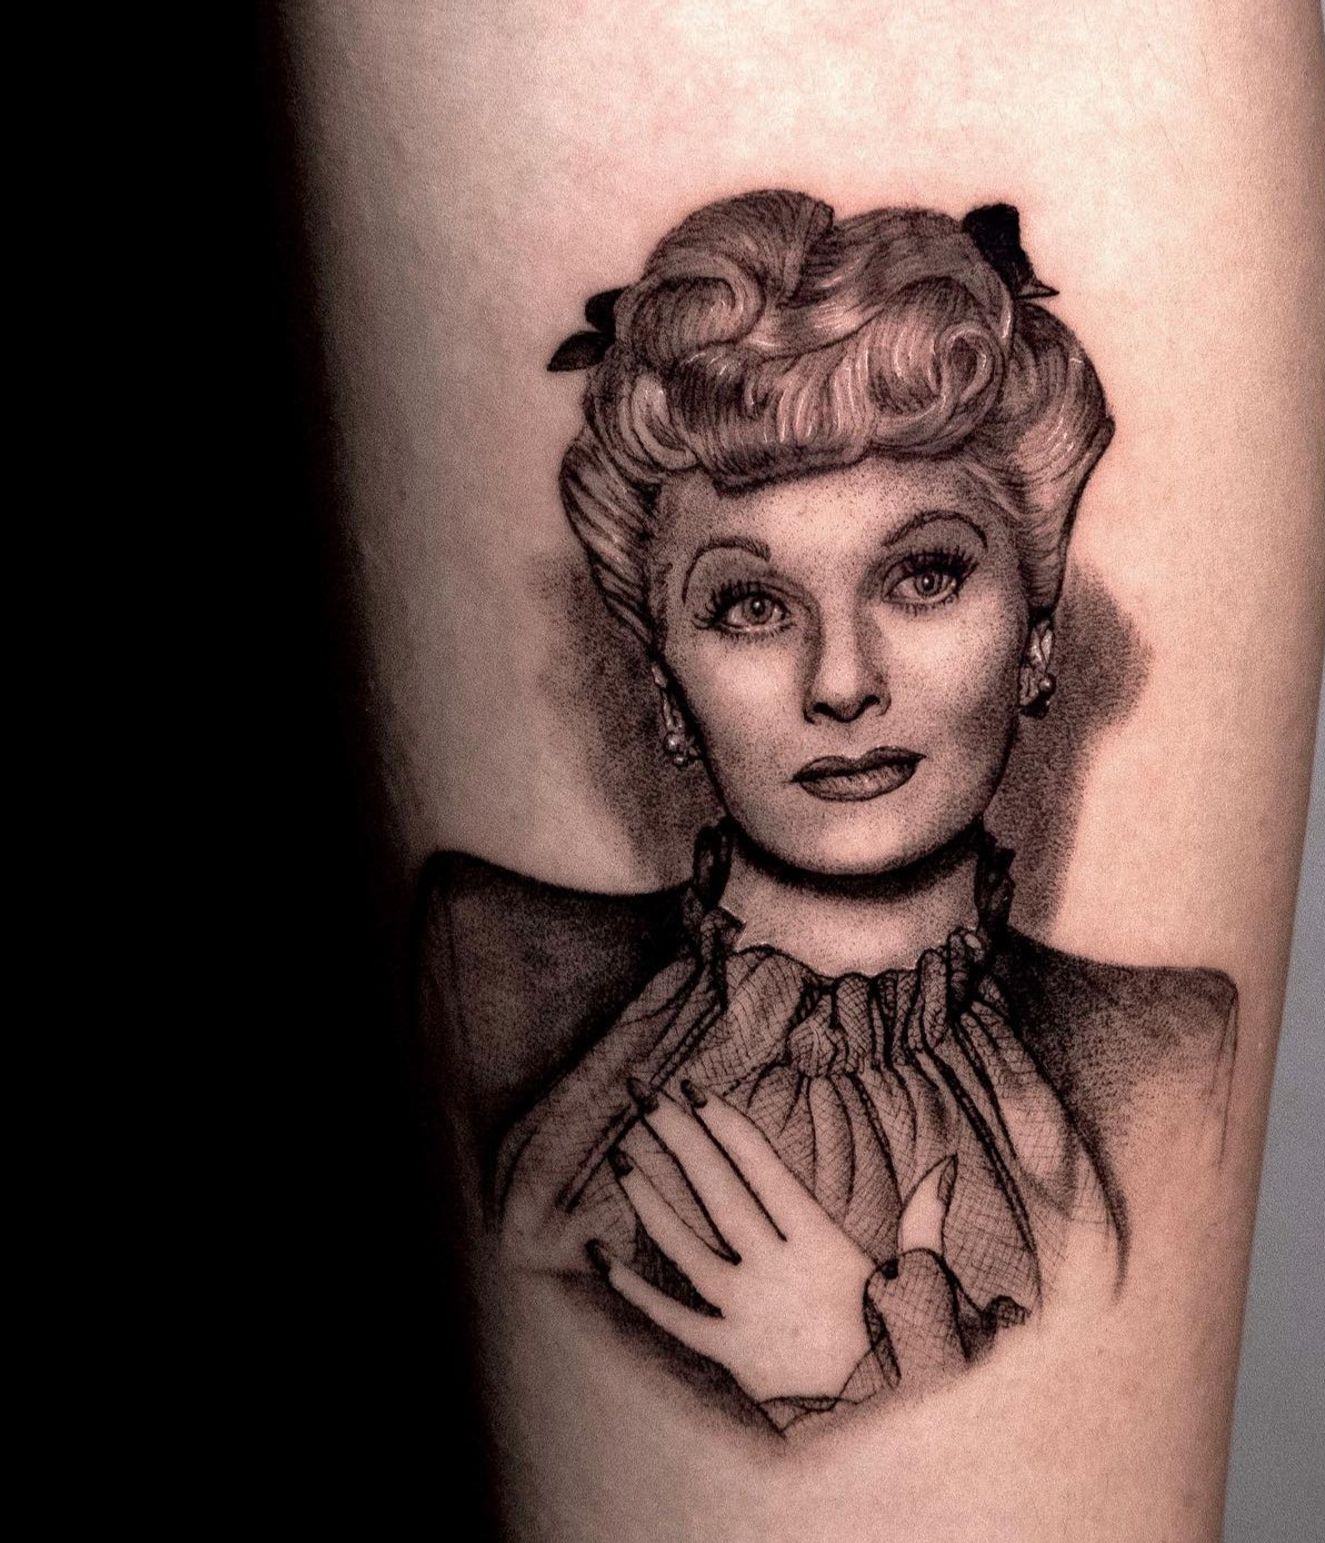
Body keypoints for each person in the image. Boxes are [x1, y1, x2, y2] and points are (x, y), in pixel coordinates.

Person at [416, 191, 1238, 1435]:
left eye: (924, 576)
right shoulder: (496, 994)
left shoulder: (1169, 1069)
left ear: (1035, 631)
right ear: (665, 683)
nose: (842, 683)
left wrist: (875, 1369)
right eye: (751, 607)